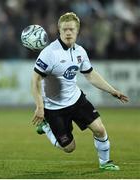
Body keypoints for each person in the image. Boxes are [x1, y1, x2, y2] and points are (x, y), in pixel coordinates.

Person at [31, 12, 128, 171]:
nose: (68, 33)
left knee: (99, 129)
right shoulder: (49, 53)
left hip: (76, 100)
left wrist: (112, 91)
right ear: (59, 31)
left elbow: (90, 74)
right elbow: (35, 80)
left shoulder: (80, 52)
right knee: (69, 148)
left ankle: (105, 163)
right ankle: (46, 126)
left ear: (77, 31)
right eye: (65, 29)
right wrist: (40, 107)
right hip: (54, 108)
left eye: (71, 29)